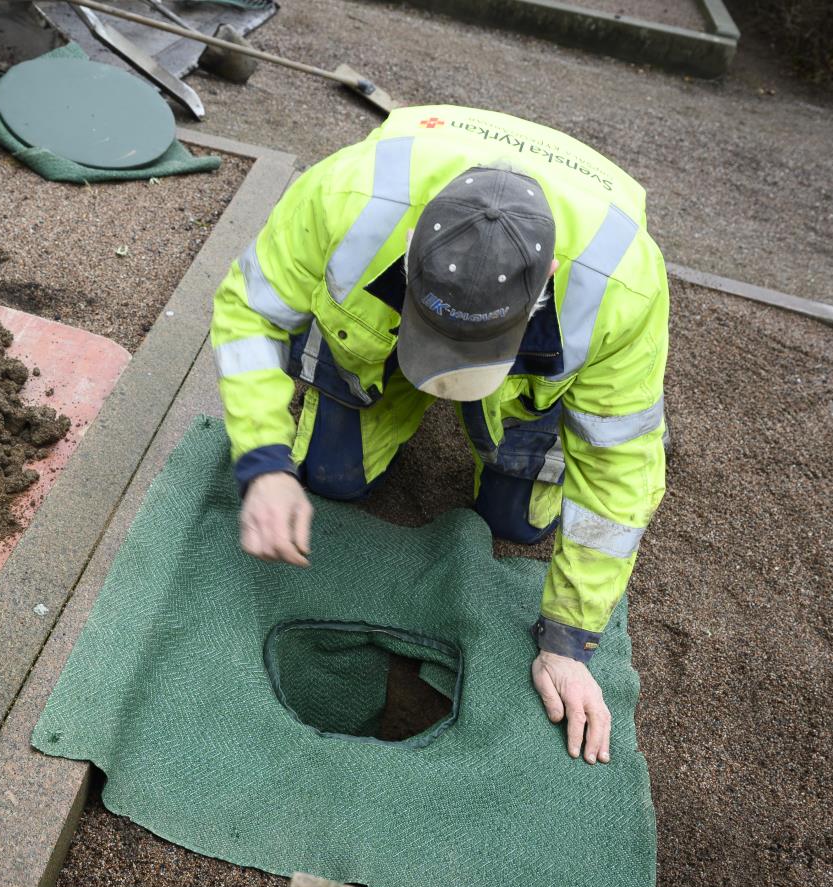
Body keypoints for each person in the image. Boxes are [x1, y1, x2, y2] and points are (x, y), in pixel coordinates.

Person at [211, 106, 668, 765]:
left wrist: (569, 639)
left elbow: (618, 464)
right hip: (374, 337)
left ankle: (505, 440)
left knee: (517, 520)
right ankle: (386, 386)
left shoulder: (619, 288)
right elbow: (249, 311)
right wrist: (263, 462)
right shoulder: (348, 198)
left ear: (539, 297)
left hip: (531, 384)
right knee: (329, 479)